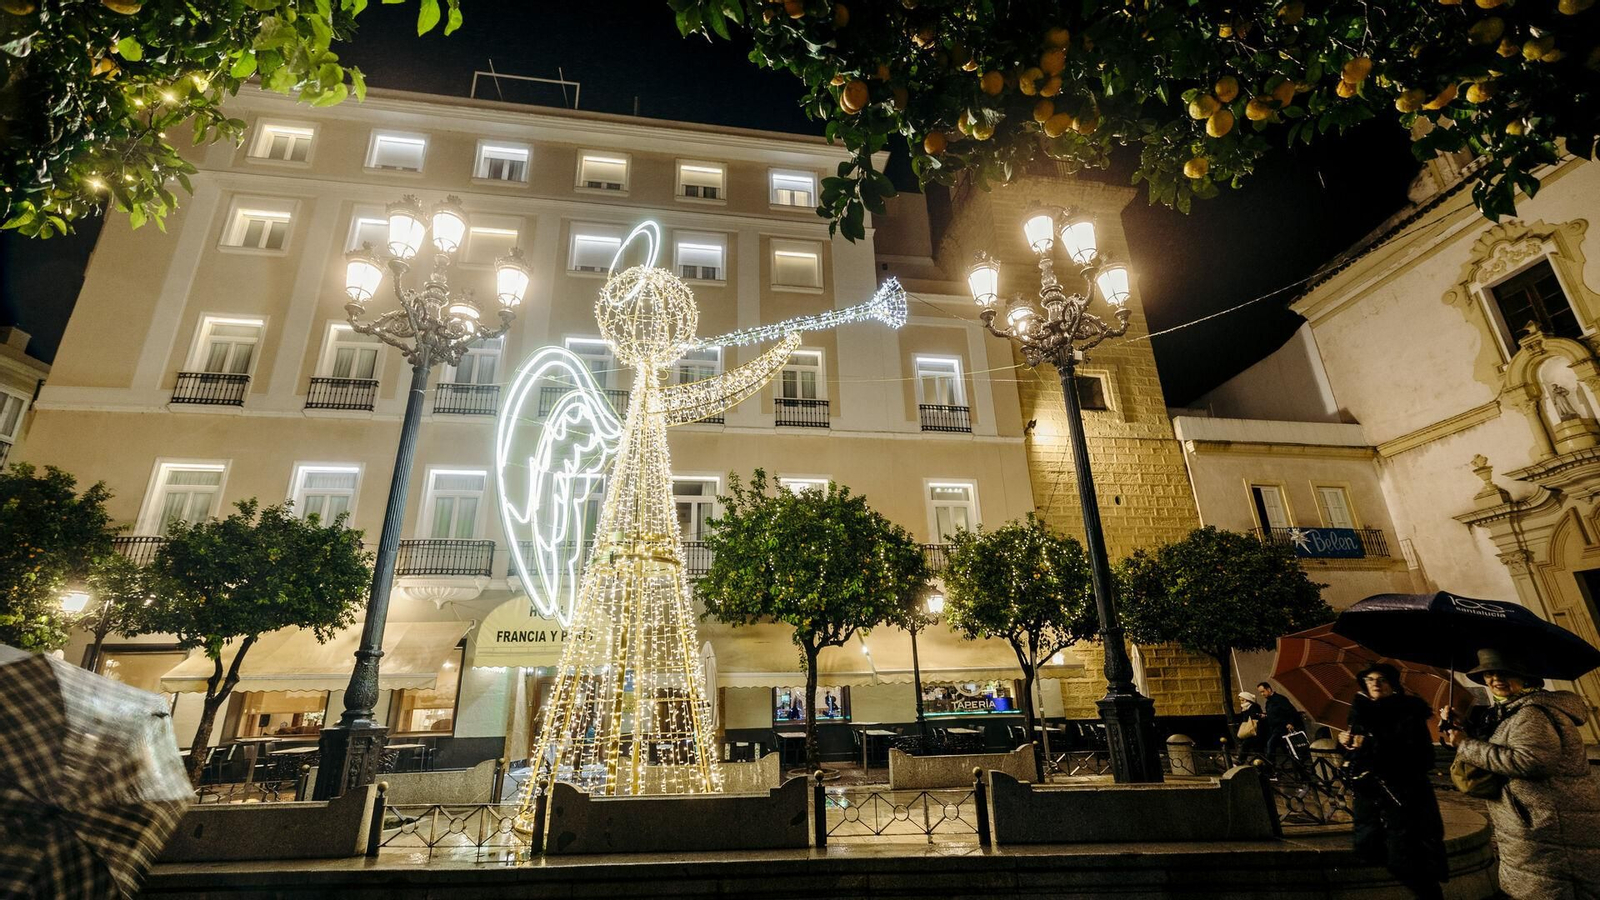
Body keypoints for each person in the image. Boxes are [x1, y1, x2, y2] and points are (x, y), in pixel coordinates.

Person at [1441, 648, 1600, 900]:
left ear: (1525, 677)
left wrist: (1464, 745)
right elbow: (1504, 742)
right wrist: (1463, 727)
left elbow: (1530, 762)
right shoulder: (1513, 710)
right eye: (1489, 674)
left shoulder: (1531, 714)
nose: (1496, 679)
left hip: (1545, 824)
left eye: (1506, 673)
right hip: (1536, 822)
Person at [1340, 663, 1447, 900]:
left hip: (1403, 798)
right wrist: (1346, 743)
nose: (1375, 684)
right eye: (1370, 679)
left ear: (1392, 684)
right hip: (1371, 800)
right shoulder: (1360, 712)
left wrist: (1372, 745)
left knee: (1410, 860)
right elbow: (1357, 755)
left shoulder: (1409, 713)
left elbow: (1423, 758)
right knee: (1383, 855)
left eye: (1382, 679)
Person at [1258, 681, 1302, 766]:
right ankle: (1300, 771)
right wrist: (1266, 715)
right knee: (1288, 752)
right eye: (1260, 692)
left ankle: (1270, 770)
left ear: (1269, 689)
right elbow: (1274, 714)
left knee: (1271, 745)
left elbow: (1291, 711)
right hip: (1275, 729)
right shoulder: (1268, 702)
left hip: (1283, 728)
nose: (1262, 694)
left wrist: (1290, 723)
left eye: (1263, 691)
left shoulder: (1280, 699)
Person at [1236, 691, 1266, 760]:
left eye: (1242, 700)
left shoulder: (1254, 706)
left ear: (1247, 699)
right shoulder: (1244, 708)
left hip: (1256, 730)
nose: (1241, 702)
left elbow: (1253, 717)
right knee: (1257, 749)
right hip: (1250, 730)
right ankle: (1263, 763)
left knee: (1247, 744)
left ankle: (1240, 761)